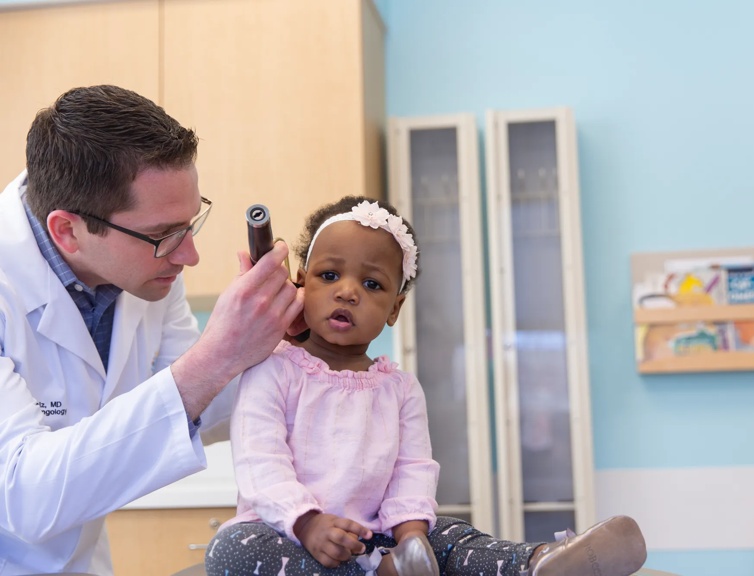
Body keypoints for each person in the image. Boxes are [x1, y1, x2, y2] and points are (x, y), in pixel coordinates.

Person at [205, 196, 647, 576]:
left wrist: (411, 537)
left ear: (394, 308)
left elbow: (413, 470)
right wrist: (307, 522)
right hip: (291, 534)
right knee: (234, 550)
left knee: (451, 533)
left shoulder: (399, 388)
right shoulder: (272, 369)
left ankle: (540, 562)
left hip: (385, 539)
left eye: (372, 283)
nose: (347, 292)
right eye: (329, 275)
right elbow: (260, 461)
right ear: (300, 282)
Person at [0, 85, 305, 574]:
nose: (189, 255)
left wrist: (281, 345)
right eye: (165, 236)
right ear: (67, 231)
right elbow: (23, 496)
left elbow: (196, 402)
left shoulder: (144, 274)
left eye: (189, 225)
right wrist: (220, 352)